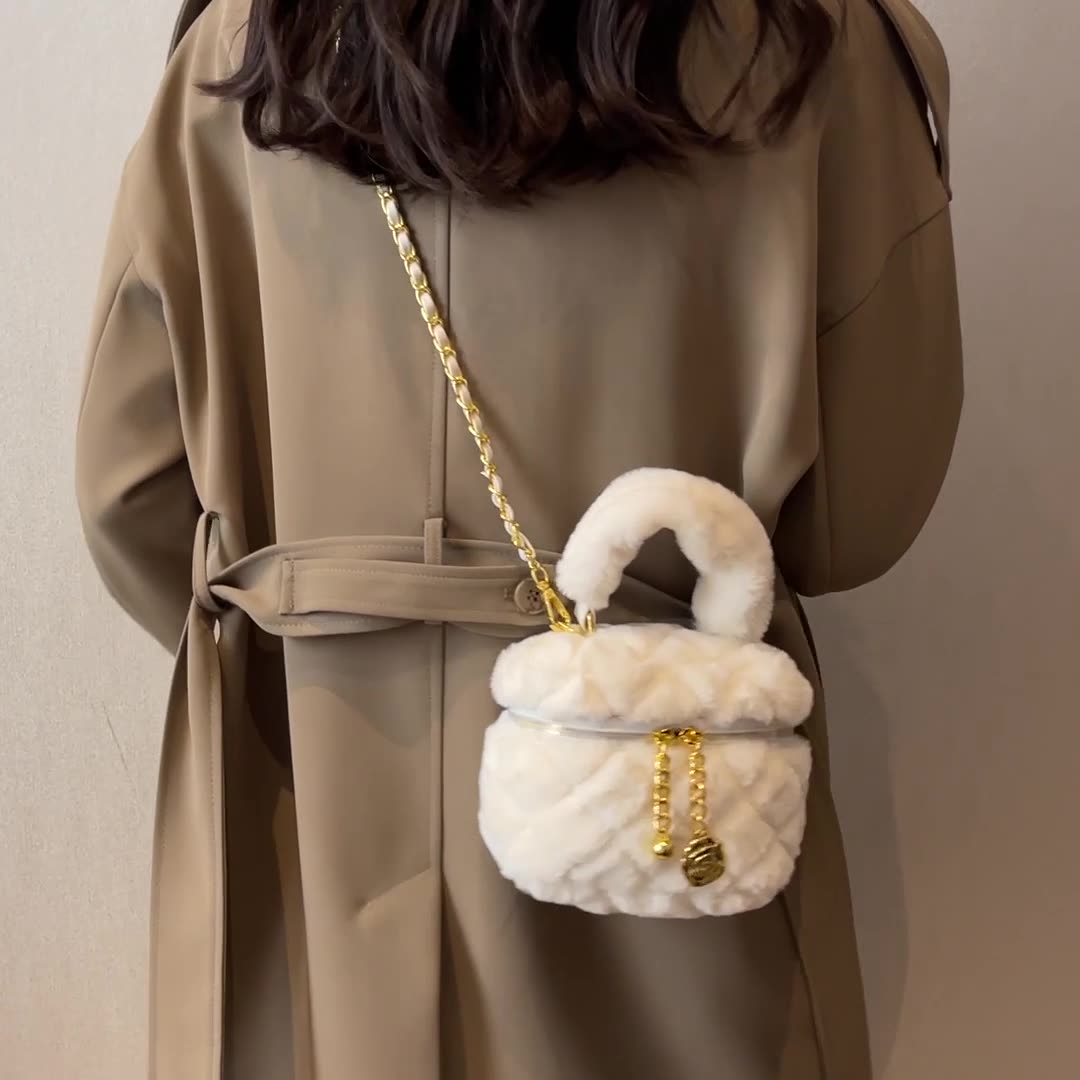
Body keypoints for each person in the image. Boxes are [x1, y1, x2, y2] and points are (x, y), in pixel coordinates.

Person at [75, 0, 962, 1076]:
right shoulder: (812, 45)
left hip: (307, 785)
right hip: (663, 800)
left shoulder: (246, 46)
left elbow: (131, 496)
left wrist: (323, 631)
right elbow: (857, 523)